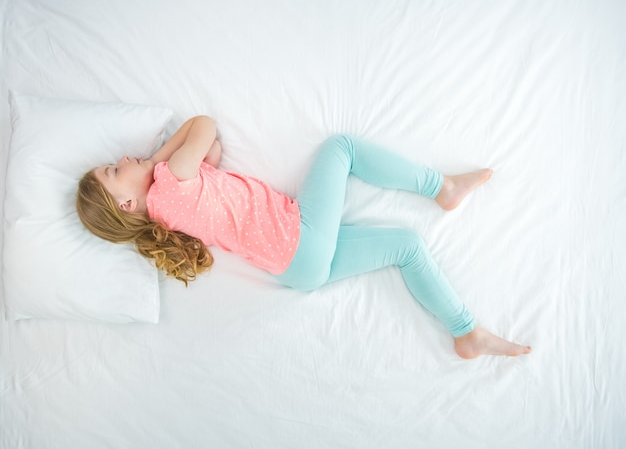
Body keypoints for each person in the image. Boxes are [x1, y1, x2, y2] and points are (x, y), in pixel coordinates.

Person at [76, 115, 531, 359]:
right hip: (301, 237)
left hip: (298, 269)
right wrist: (158, 159)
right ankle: (441, 187)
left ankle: (466, 332)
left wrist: (187, 165)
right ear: (126, 205)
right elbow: (204, 124)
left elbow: (208, 152)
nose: (122, 158)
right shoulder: (168, 182)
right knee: (342, 148)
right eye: (115, 171)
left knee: (407, 246)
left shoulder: (168, 216)